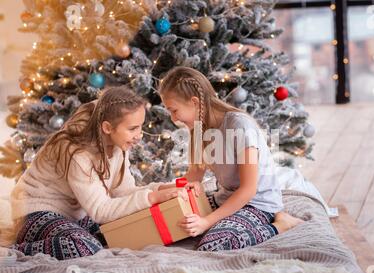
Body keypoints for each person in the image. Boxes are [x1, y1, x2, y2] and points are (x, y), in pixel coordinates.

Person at [10, 87, 189, 260]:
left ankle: (72, 233)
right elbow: (101, 211)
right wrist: (153, 198)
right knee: (84, 247)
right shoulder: (77, 152)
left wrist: (165, 188)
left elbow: (123, 192)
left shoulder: (118, 143)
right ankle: (13, 250)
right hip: (37, 212)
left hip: (77, 215)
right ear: (107, 127)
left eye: (140, 127)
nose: (139, 135)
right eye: (133, 128)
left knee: (123, 232)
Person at [158, 66, 303, 251]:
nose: (173, 118)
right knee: (174, 220)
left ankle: (281, 224)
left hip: (256, 203)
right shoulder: (198, 129)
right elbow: (194, 176)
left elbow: (249, 190)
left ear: (194, 102)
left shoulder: (239, 125)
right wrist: (160, 191)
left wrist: (205, 222)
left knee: (213, 245)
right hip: (226, 198)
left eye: (174, 110)